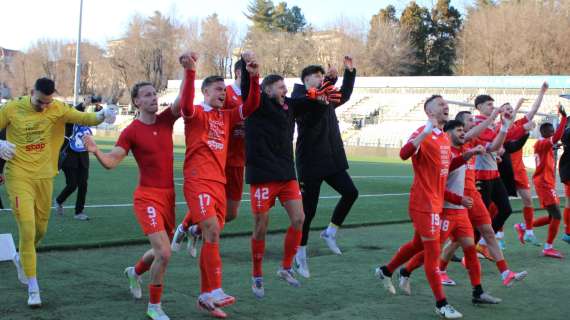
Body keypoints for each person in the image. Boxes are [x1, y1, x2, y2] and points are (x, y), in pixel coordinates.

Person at [0, 77, 115, 307]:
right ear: (32, 91)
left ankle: (21, 257)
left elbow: (85, 118)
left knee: (40, 230)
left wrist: (104, 115)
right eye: (41, 101)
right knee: (27, 227)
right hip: (18, 175)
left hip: (45, 176)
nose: (44, 106)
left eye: (48, 102)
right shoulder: (11, 108)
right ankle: (33, 287)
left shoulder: (58, 108)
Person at [239, 56, 340, 298]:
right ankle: (256, 274)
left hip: (286, 174)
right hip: (262, 175)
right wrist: (249, 71)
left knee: (299, 219)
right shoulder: (257, 103)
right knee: (261, 227)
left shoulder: (291, 105)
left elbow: (311, 99)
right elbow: (248, 92)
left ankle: (285, 268)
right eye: (281, 87)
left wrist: (329, 81)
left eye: (285, 86)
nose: (285, 89)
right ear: (267, 90)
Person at [83, 78, 181, 320]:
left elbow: (183, 100)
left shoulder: (167, 119)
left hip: (169, 196)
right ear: (136, 102)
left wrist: (188, 70)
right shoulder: (131, 131)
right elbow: (112, 161)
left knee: (162, 249)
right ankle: (154, 307)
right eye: (146, 95)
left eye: (154, 94)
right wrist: (96, 151)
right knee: (165, 253)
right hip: (147, 197)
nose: (153, 98)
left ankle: (134, 272)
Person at [176, 51, 260, 318]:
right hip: (197, 179)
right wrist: (190, 71)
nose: (223, 93)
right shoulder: (197, 112)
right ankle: (214, 290)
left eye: (224, 90)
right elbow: (186, 106)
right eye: (217, 89)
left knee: (214, 233)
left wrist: (254, 76)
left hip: (218, 182)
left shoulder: (227, 116)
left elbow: (252, 106)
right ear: (205, 92)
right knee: (211, 229)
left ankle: (205, 296)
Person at [374, 95, 467, 319]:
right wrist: (425, 132)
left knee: (417, 244)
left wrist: (467, 159)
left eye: (446, 103)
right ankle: (441, 304)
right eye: (440, 104)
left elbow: (442, 173)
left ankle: (385, 271)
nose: (446, 106)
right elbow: (404, 154)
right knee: (433, 252)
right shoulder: (422, 132)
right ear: (429, 112)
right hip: (423, 203)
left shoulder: (444, 138)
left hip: (435, 203)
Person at [396, 120, 501, 305]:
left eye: (465, 128)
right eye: (461, 129)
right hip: (444, 211)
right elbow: (438, 185)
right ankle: (406, 271)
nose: (465, 131)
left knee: (470, 248)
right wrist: (458, 198)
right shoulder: (443, 153)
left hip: (460, 213)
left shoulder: (464, 151)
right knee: (430, 251)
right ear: (449, 132)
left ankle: (478, 292)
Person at [292, 57, 357, 278]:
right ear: (305, 80)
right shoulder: (299, 97)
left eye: (321, 76)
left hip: (331, 159)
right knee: (308, 212)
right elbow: (312, 108)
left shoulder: (326, 97)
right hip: (310, 161)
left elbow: (344, 95)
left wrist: (349, 72)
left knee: (351, 192)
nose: (320, 79)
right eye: (316, 76)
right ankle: (299, 253)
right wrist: (327, 84)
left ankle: (330, 232)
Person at [515, 104, 568, 258]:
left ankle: (524, 227)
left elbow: (553, 142)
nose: (554, 135)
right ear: (545, 133)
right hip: (544, 183)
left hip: (547, 183)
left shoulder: (544, 144)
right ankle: (548, 247)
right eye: (551, 132)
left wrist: (555, 145)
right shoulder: (542, 143)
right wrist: (564, 118)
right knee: (557, 215)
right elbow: (555, 138)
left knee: (552, 216)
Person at [55, 100, 100, 221]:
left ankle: (79, 212)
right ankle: (59, 200)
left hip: (83, 157)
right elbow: (76, 110)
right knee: (72, 184)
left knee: (83, 184)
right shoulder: (68, 122)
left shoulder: (84, 120)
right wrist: (83, 104)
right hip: (69, 158)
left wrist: (99, 108)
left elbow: (96, 116)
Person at [224, 60, 245, 223]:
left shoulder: (253, 94)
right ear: (238, 72)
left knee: (231, 214)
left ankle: (194, 229)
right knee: (214, 206)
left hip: (240, 160)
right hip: (222, 159)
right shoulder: (225, 93)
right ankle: (187, 226)